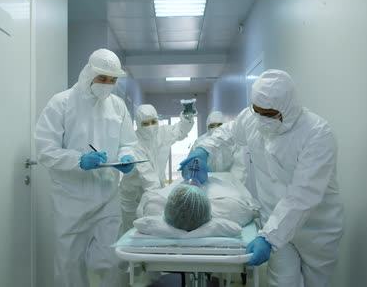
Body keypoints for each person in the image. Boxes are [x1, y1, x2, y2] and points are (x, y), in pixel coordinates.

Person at [179, 70, 344, 287]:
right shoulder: (252, 119)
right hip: (271, 221)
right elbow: (226, 133)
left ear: (288, 108)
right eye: (256, 110)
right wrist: (203, 150)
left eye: (268, 114)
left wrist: (268, 238)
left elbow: (302, 196)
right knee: (282, 283)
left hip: (315, 230)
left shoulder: (317, 134)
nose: (261, 118)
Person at [35, 48, 137, 287]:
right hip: (71, 200)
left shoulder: (118, 106)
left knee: (113, 260)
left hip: (108, 195)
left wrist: (127, 157)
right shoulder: (61, 102)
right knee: (69, 263)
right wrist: (78, 160)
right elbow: (45, 150)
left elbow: (128, 143)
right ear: (88, 73)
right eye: (102, 78)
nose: (107, 85)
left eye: (112, 80)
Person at [119, 104, 194, 232]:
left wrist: (187, 118)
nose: (151, 127)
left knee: (153, 221)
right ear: (138, 123)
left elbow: (180, 130)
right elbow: (148, 176)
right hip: (132, 194)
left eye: (154, 121)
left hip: (153, 188)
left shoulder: (163, 133)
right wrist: (161, 198)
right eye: (145, 123)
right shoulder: (134, 142)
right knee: (131, 227)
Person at [191, 111, 247, 183]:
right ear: (207, 127)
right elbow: (193, 165)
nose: (216, 128)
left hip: (228, 182)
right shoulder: (199, 142)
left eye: (219, 125)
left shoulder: (233, 142)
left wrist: (235, 185)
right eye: (212, 126)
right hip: (205, 181)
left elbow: (239, 168)